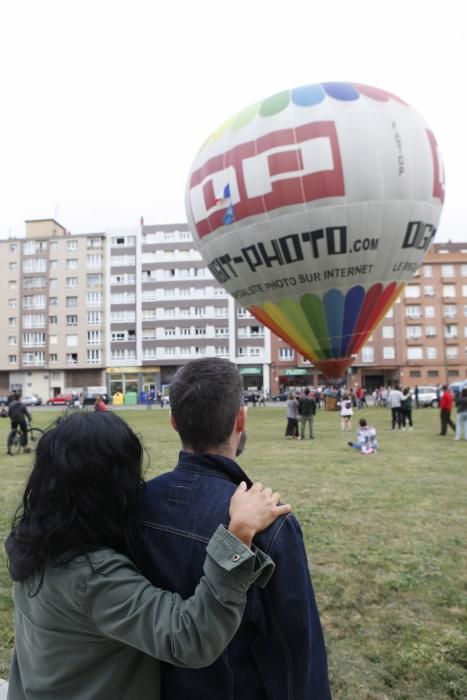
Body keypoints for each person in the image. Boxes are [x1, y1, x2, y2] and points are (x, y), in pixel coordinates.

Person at [5, 411, 289, 700]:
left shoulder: (35, 543)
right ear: (110, 486)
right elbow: (190, 637)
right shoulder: (93, 578)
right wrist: (237, 537)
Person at [143, 358, 331, 700]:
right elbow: (294, 654)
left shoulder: (137, 503)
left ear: (173, 422)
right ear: (240, 418)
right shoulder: (271, 525)